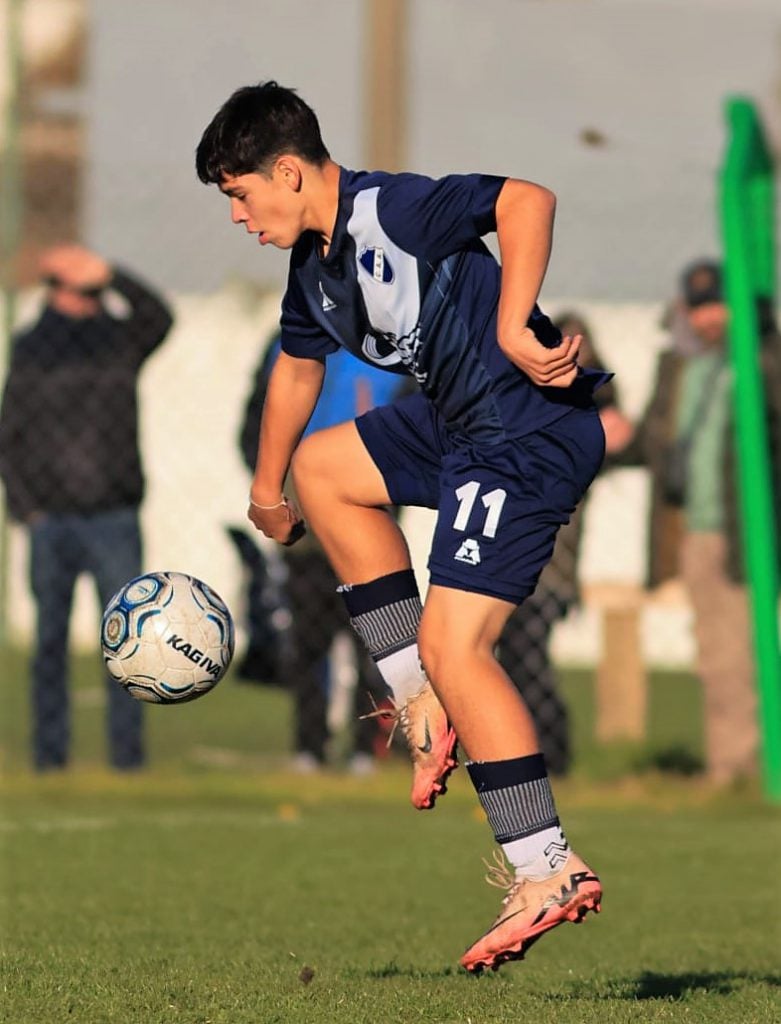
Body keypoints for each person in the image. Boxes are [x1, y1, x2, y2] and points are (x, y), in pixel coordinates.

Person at [196, 81, 608, 974]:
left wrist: (510, 322)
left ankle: (546, 869)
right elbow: (296, 375)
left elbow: (525, 199)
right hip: (458, 429)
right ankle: (419, 697)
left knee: (460, 646)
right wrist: (268, 486)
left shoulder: (397, 208)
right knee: (324, 470)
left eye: (238, 193)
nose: (236, 214)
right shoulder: (315, 271)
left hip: (520, 434)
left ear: (289, 170)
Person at [0, 245, 173, 771]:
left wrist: (112, 273)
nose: (93, 300)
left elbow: (159, 317)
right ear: (55, 291)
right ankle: (49, 758)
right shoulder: (32, 349)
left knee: (127, 647)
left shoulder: (118, 339)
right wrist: (29, 510)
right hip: (52, 520)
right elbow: (10, 437)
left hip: (114, 515)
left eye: (98, 291)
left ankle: (127, 758)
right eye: (83, 290)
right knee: (50, 642)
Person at [619, 259, 781, 784]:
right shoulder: (683, 367)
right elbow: (653, 442)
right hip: (702, 532)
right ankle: (732, 767)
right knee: (718, 654)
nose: (709, 319)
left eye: (718, 305)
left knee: (736, 653)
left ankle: (739, 768)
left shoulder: (762, 363)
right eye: (699, 308)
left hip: (749, 530)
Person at [236, 333, 409, 774]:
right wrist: (273, 482)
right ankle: (309, 746)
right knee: (308, 634)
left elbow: (417, 421)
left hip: (368, 497)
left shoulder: (393, 344)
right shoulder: (289, 341)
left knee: (374, 631)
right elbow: (257, 419)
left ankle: (363, 748)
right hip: (304, 505)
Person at [497, 312, 632, 775]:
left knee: (528, 660)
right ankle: (530, 752)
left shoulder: (590, 408)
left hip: (549, 561)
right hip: (520, 549)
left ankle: (553, 754)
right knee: (514, 658)